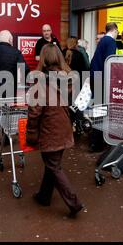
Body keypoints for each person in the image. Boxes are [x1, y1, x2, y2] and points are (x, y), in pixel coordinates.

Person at [26, 44, 84, 218]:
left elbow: (35, 112)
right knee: (52, 164)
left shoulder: (40, 81)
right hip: (64, 128)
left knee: (54, 166)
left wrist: (31, 134)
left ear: (43, 58)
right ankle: (44, 196)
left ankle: (74, 203)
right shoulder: (69, 78)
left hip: (49, 130)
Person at [0, 30, 29, 151]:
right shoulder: (15, 52)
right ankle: (6, 137)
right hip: (9, 87)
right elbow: (25, 69)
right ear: (10, 40)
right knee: (7, 111)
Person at [89, 22, 119, 152]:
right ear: (116, 30)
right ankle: (97, 143)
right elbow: (109, 62)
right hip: (101, 80)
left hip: (96, 78)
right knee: (101, 112)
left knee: (98, 111)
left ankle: (95, 142)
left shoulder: (102, 41)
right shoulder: (111, 42)